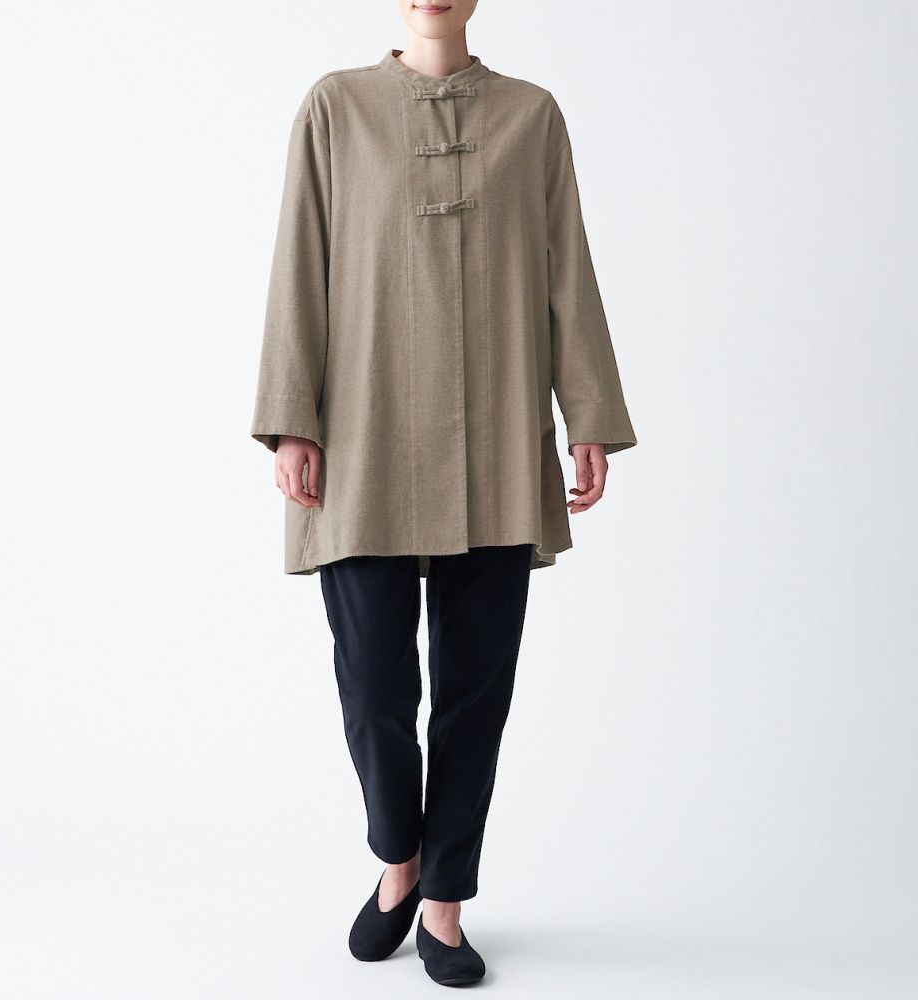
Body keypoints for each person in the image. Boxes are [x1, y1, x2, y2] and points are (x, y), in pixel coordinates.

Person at [250, 0, 636, 987]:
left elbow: (566, 269)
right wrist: (292, 417)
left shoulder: (532, 116)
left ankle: (444, 901)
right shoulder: (334, 107)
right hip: (363, 437)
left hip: (494, 438)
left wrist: (587, 414)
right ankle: (398, 858)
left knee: (475, 694)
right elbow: (300, 261)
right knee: (373, 685)